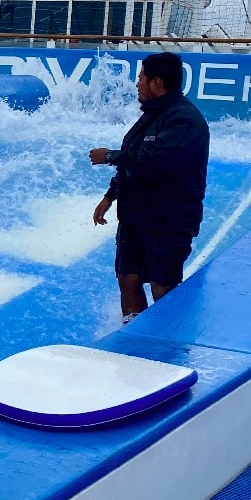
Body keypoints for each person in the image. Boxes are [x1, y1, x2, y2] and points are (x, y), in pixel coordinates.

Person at [90, 51, 210, 321]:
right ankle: (133, 338)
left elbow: (155, 163)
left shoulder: (185, 120)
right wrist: (110, 196)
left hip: (168, 222)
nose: (137, 84)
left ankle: (166, 346)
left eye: (141, 78)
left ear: (157, 83)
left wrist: (109, 156)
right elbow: (132, 159)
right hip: (136, 218)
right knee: (128, 279)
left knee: (162, 287)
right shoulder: (150, 116)